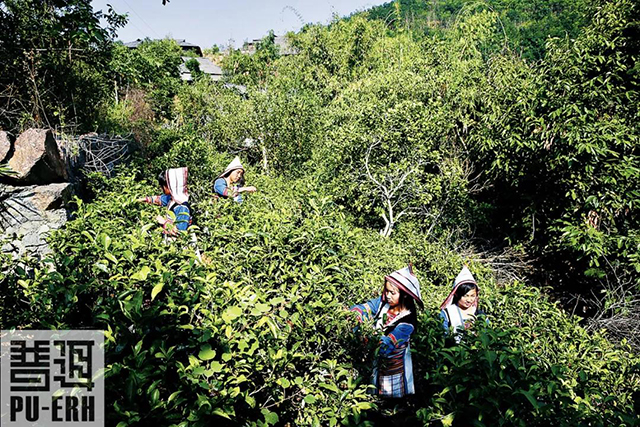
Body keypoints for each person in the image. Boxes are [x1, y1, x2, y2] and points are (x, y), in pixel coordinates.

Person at [350, 266, 423, 398]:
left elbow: (385, 346)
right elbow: (363, 308)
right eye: (387, 291)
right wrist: (355, 315)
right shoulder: (383, 303)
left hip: (394, 368)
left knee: (390, 402)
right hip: (376, 364)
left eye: (392, 293)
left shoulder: (407, 322)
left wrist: (365, 336)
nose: (388, 296)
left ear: (404, 295)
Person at [138, 167, 191, 236]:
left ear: (170, 186)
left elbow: (180, 232)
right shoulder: (173, 198)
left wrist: (164, 222)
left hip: (175, 244)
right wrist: (141, 200)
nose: (161, 188)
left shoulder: (182, 207)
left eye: (162, 186)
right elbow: (159, 199)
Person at [439, 266, 486, 343]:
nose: (469, 300)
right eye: (465, 296)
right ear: (457, 294)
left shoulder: (480, 315)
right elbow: (443, 337)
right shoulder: (447, 314)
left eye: (472, 296)